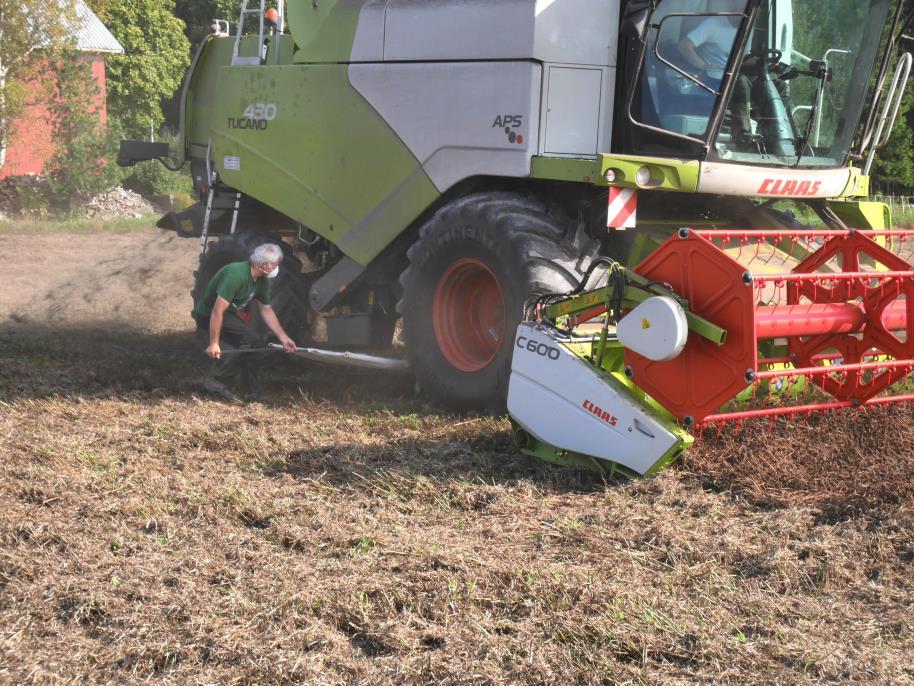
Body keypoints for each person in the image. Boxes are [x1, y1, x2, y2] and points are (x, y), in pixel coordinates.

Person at [192, 243, 297, 401]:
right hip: (208, 315)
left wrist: (283, 337)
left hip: (227, 315)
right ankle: (215, 383)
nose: (277, 268)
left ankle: (252, 392)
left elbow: (266, 310)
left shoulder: (260, 280)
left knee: (254, 342)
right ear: (266, 265)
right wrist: (214, 343)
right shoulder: (236, 275)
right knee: (233, 352)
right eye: (276, 264)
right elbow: (217, 311)